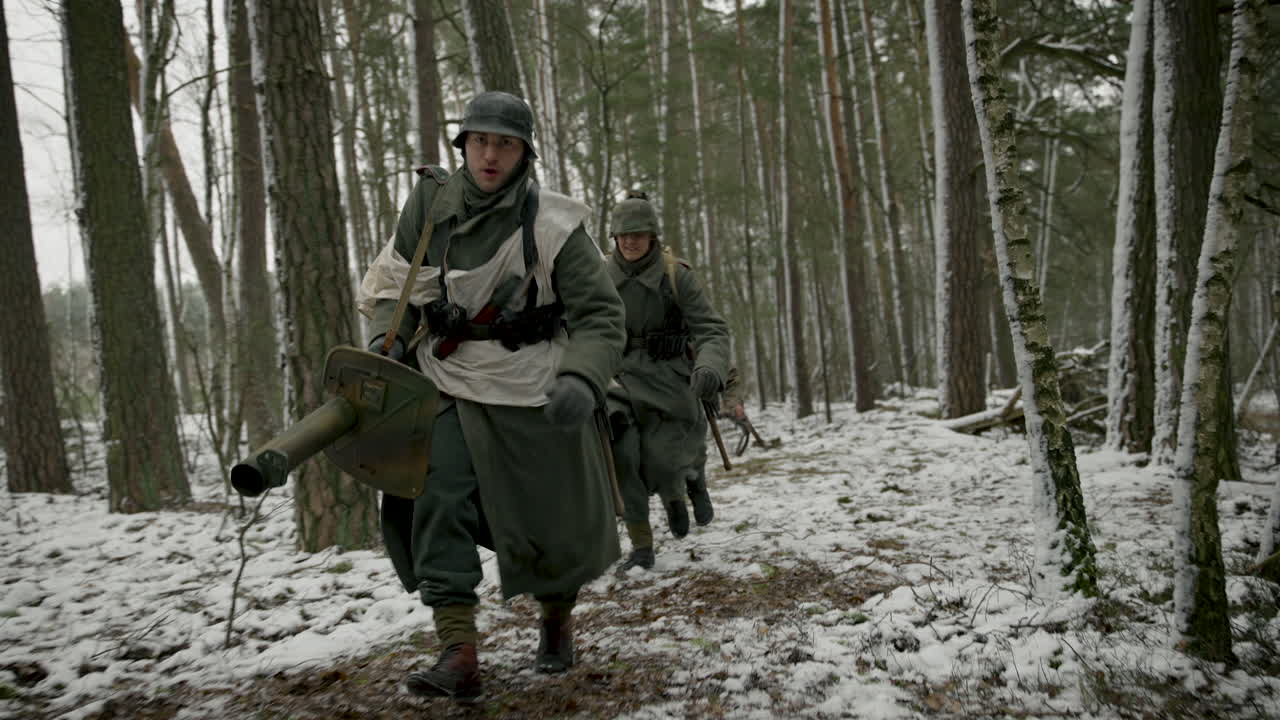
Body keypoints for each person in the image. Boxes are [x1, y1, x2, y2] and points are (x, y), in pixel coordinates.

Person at [355, 91, 625, 703]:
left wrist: (582, 379)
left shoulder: (555, 224)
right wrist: (387, 340)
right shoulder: (431, 206)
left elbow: (601, 317)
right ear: (464, 146)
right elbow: (398, 286)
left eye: (505, 143)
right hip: (450, 379)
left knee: (549, 522)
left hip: (535, 383)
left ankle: (556, 619)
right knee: (438, 497)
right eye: (480, 141)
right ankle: (459, 651)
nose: (490, 154)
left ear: (524, 152)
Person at [604, 191, 730, 572]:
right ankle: (641, 546)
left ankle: (689, 484)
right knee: (622, 457)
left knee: (663, 458)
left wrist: (709, 367)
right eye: (623, 235)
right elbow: (579, 325)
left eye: (638, 234)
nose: (630, 242)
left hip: (669, 376)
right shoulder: (599, 277)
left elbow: (711, 330)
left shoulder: (677, 276)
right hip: (619, 379)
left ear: (653, 236)